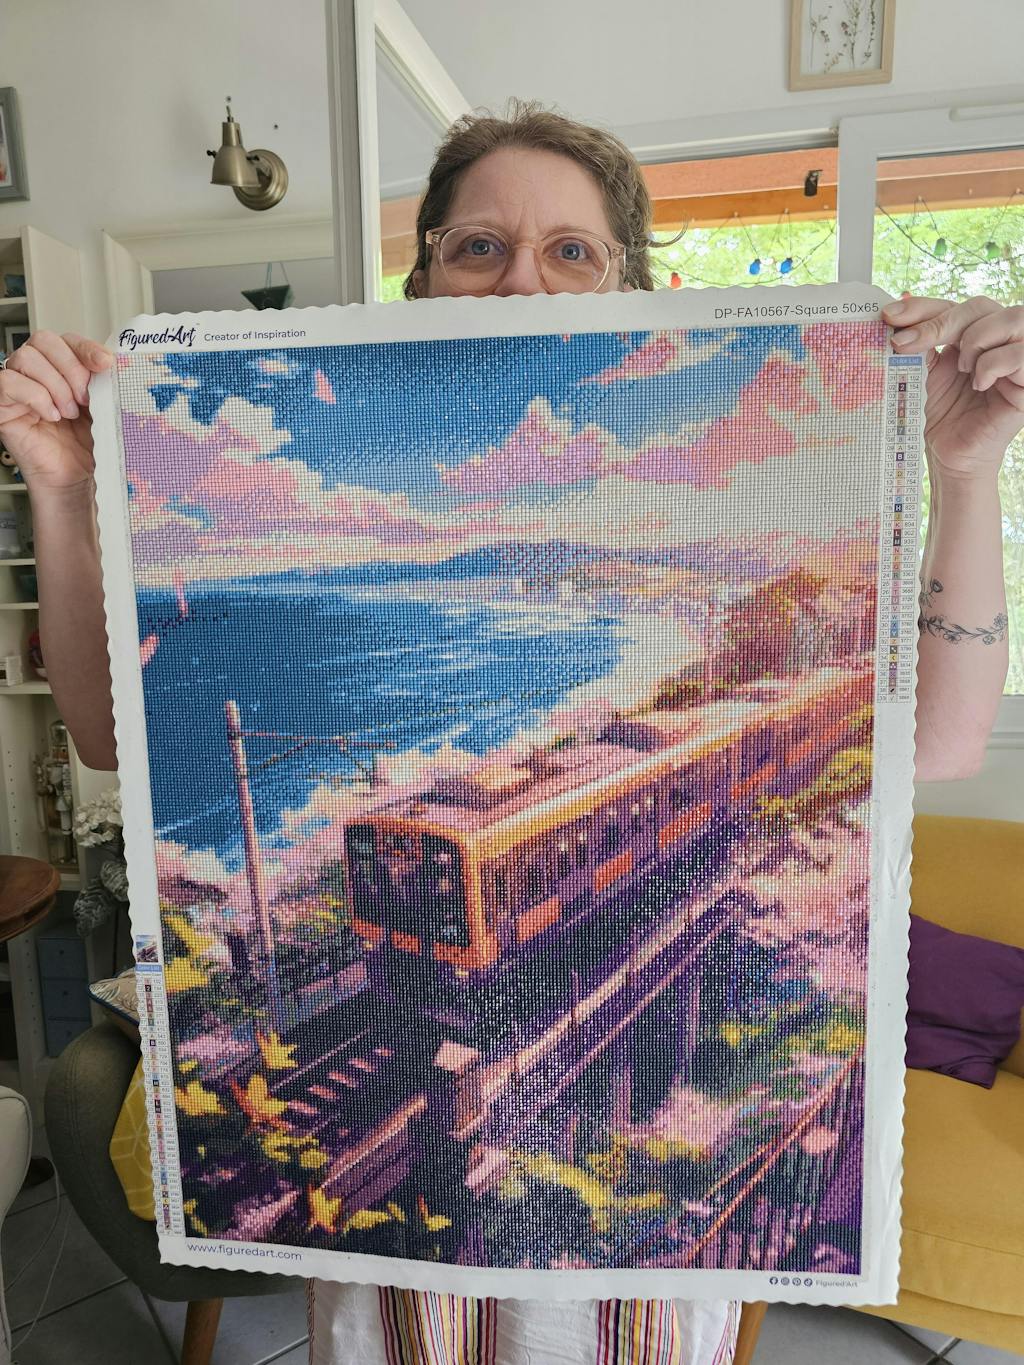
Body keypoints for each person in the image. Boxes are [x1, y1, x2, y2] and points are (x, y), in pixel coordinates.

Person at [0, 99, 1021, 1365]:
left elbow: (944, 741)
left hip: (638, 1292)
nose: (521, 277)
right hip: (393, 1285)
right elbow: (116, 739)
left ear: (632, 287)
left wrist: (960, 472)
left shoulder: (747, 503)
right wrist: (63, 489)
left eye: (570, 250)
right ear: (422, 279)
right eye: (477, 245)